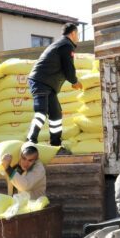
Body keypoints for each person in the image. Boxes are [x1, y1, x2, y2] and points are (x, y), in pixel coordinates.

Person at [26, 23, 83, 152]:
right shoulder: (66, 45)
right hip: (40, 81)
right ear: (73, 33)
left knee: (56, 114)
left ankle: (55, 144)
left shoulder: (62, 44)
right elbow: (68, 68)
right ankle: (30, 140)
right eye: (78, 34)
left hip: (48, 84)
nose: (78, 37)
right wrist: (75, 81)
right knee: (41, 111)